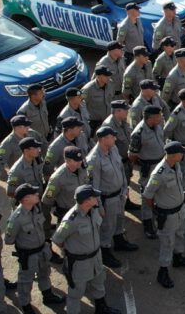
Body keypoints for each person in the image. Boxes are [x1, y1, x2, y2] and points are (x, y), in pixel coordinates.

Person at [51, 185, 121, 314]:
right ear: (87, 200)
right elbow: (57, 239)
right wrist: (72, 250)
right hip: (79, 263)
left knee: (99, 284)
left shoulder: (92, 210)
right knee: (76, 292)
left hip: (96, 257)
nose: (97, 198)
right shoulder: (71, 220)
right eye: (94, 196)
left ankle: (101, 309)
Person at [142, 142, 185, 289]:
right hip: (167, 214)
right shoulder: (158, 174)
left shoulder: (176, 165)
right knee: (167, 243)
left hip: (179, 209)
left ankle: (178, 258)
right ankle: (163, 271)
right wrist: (156, 210)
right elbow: (147, 195)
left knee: (180, 234)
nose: (183, 154)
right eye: (181, 152)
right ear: (174, 155)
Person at [4, 184, 65, 314]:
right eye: (33, 194)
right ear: (26, 199)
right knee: (25, 281)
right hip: (28, 255)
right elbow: (8, 240)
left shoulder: (35, 208)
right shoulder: (16, 218)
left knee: (44, 273)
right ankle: (25, 304)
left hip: (42, 250)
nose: (37, 195)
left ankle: (47, 295)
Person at [87, 126, 136, 268]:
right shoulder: (94, 160)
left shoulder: (113, 149)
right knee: (107, 227)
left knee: (119, 220)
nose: (115, 138)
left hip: (119, 194)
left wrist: (125, 187)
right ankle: (105, 251)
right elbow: (93, 187)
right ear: (103, 139)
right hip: (106, 199)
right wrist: (99, 207)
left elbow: (121, 169)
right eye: (112, 136)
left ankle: (119, 240)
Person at [128, 108, 165, 239]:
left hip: (161, 164)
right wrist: (143, 164)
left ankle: (158, 212)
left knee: (159, 190)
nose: (161, 117)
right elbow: (132, 155)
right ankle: (147, 222)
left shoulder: (157, 126)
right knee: (147, 194)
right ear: (151, 118)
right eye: (158, 115)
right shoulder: (138, 133)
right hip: (148, 167)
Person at [42, 147, 88, 222]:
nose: (79, 162)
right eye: (76, 160)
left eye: (80, 159)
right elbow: (47, 200)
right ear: (67, 161)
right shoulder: (58, 178)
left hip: (84, 211)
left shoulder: (83, 168)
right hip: (67, 214)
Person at [0, 115, 41, 182]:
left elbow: (42, 145)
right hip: (23, 178)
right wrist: (9, 179)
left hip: (36, 171)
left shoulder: (32, 134)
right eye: (25, 126)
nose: (28, 127)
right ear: (17, 128)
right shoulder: (8, 143)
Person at [81, 66, 114, 132]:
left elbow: (112, 98)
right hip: (93, 124)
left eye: (109, 75)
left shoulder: (110, 83)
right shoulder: (87, 89)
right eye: (106, 76)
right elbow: (81, 106)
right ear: (98, 77)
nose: (109, 78)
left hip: (108, 120)